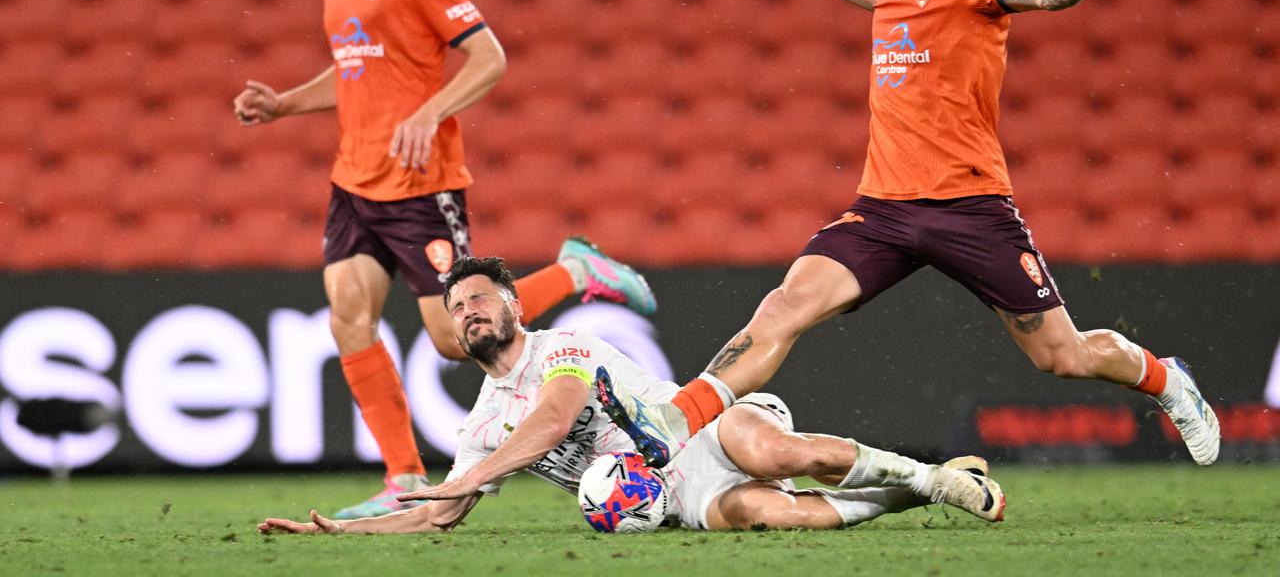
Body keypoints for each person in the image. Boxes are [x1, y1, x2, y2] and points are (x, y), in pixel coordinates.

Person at [595, 0, 1219, 470]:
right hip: (884, 210)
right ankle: (674, 422)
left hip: (971, 207)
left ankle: (1167, 378)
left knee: (1062, 355)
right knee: (786, 306)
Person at [231, 0, 656, 519]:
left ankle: (577, 270)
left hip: (419, 183)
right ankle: (401, 476)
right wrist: (284, 104)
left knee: (454, 340)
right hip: (354, 180)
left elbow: (489, 57)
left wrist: (429, 114)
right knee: (348, 319)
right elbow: (353, 71)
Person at [258, 256, 1005, 536]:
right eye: (457, 309)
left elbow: (554, 420)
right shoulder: (482, 424)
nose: (468, 313)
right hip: (673, 497)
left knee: (773, 453)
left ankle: (932, 477)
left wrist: (472, 476)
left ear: (516, 306)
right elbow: (439, 514)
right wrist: (341, 535)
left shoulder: (563, 349)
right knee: (774, 514)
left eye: (481, 299)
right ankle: (919, 491)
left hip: (700, 431)